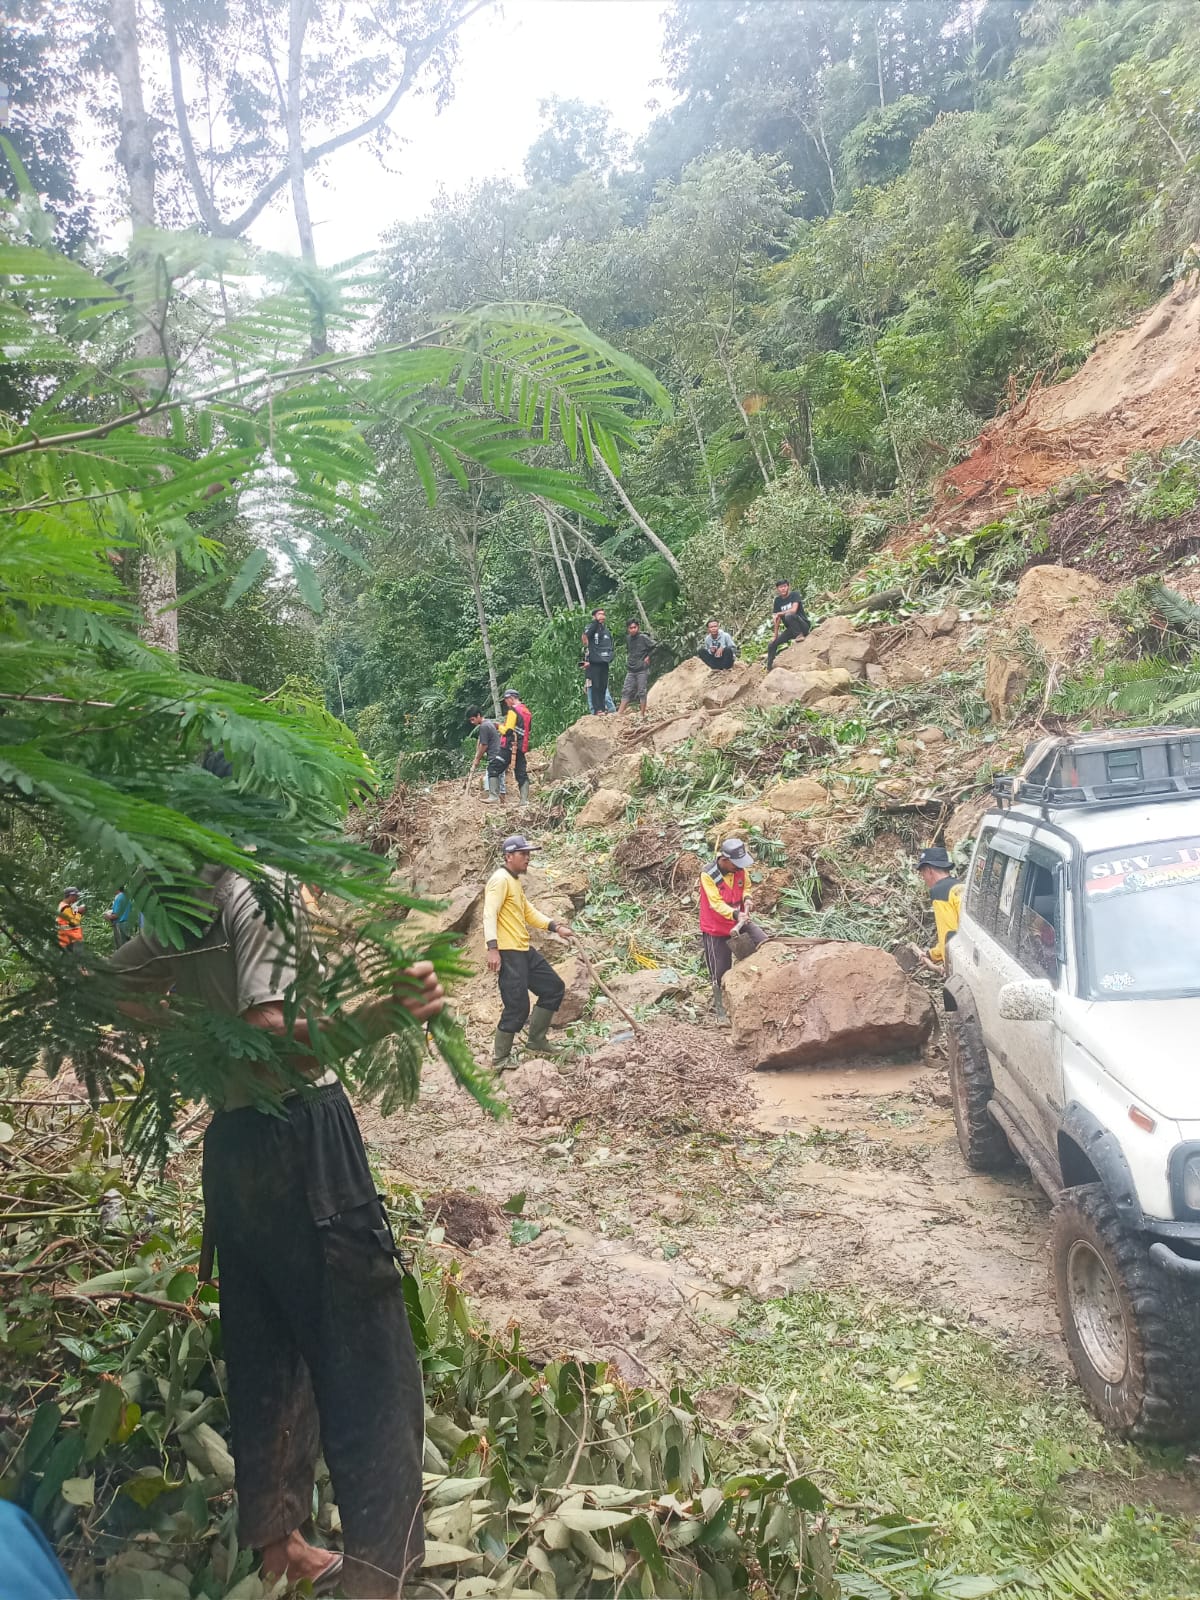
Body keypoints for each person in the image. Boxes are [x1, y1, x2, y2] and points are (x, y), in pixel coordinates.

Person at [106, 842, 446, 1596]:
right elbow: (271, 1044)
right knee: (369, 1366)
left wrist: (189, 1040)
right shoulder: (258, 887)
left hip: (233, 1148)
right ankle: (380, 1577)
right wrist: (381, 1013)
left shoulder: (181, 894)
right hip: (301, 1140)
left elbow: (105, 985)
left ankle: (277, 1546)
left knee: (266, 1344)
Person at [484, 834, 573, 1068]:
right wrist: (492, 948)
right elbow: (489, 913)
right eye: (523, 854)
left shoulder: (513, 881)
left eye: (528, 853)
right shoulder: (499, 880)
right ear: (509, 856)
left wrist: (556, 927)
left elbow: (527, 911)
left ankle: (536, 1040)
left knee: (553, 988)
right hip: (508, 951)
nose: (528, 858)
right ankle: (500, 1058)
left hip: (523, 949)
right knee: (518, 1006)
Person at [699, 838, 769, 1020]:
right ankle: (721, 1014)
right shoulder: (708, 875)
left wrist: (747, 899)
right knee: (720, 972)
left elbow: (746, 886)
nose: (739, 868)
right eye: (736, 864)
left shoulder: (739, 869)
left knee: (765, 945)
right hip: (716, 928)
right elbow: (715, 903)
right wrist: (737, 915)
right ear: (724, 859)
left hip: (739, 922)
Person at [916, 845, 962, 965]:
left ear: (929, 871)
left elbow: (949, 934)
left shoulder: (940, 892)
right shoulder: (958, 886)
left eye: (922, 874)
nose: (923, 879)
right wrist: (932, 954)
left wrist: (950, 965)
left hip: (959, 962)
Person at [766, 579, 811, 671]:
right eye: (780, 587)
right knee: (772, 645)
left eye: (784, 586)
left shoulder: (794, 595)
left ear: (788, 587)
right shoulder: (777, 601)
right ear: (777, 589)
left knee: (789, 615)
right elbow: (777, 619)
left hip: (802, 625)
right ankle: (769, 668)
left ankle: (800, 635)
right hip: (791, 630)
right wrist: (775, 636)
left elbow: (793, 610)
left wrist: (779, 613)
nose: (783, 589)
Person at [466, 708, 507, 802]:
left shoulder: (483, 726)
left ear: (479, 715)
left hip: (494, 754)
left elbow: (484, 745)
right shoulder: (489, 723)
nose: (472, 722)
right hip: (501, 753)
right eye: (471, 720)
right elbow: (482, 740)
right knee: (500, 776)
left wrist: (477, 759)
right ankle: (502, 799)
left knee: (492, 774)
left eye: (473, 719)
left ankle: (493, 797)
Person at [500, 688, 532, 804]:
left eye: (506, 700)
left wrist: (498, 727)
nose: (506, 702)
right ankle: (524, 800)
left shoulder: (513, 711)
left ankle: (494, 796)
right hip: (522, 746)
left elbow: (508, 730)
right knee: (521, 772)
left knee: (495, 767)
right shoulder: (526, 711)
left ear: (512, 698)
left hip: (511, 745)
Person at [618, 618, 656, 715]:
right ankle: (619, 713)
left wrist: (648, 656)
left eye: (635, 627)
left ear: (638, 627)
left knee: (642, 691)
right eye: (631, 628)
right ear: (628, 629)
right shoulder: (628, 639)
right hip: (631, 669)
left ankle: (642, 714)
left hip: (642, 669)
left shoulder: (643, 637)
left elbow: (655, 646)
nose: (633, 629)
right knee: (626, 690)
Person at [581, 607, 615, 715]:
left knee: (603, 685)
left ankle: (602, 708)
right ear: (594, 616)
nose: (602, 616)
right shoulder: (590, 627)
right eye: (599, 614)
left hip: (604, 661)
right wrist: (595, 622)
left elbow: (609, 644)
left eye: (603, 614)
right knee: (595, 685)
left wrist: (610, 656)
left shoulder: (605, 630)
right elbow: (586, 636)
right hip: (594, 662)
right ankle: (597, 709)